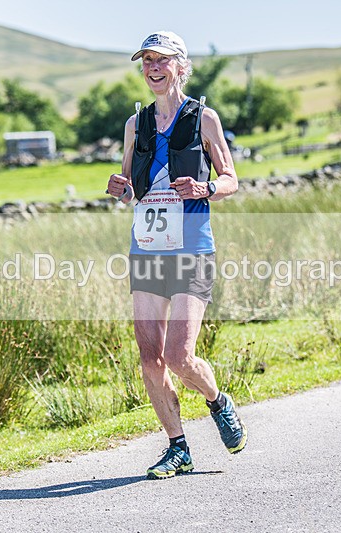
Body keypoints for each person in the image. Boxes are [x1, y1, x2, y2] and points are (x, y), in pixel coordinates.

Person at [106, 31, 247, 480]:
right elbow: (131, 188)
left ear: (180, 67)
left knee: (179, 357)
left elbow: (231, 179)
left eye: (161, 60)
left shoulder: (204, 118)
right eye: (147, 60)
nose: (153, 67)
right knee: (150, 357)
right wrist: (120, 188)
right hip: (147, 249)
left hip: (192, 249)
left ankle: (217, 401)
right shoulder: (136, 124)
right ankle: (178, 447)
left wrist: (206, 187)